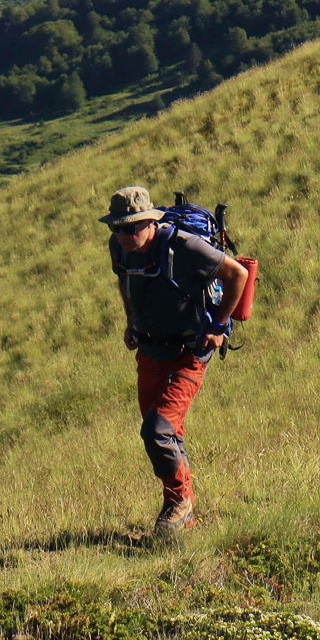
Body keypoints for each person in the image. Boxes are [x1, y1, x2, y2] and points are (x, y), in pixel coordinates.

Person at [102, 185, 251, 531]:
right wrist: (131, 323)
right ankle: (184, 521)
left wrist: (220, 324)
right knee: (166, 435)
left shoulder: (182, 247)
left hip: (190, 352)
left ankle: (180, 503)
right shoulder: (119, 249)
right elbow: (127, 284)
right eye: (117, 227)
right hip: (150, 349)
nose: (124, 234)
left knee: (158, 432)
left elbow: (237, 275)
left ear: (150, 223)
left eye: (132, 226)